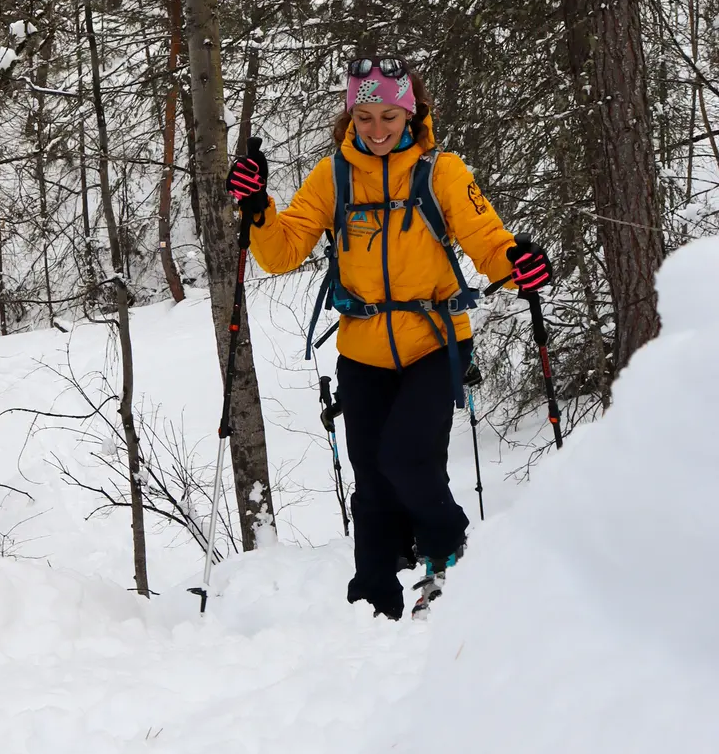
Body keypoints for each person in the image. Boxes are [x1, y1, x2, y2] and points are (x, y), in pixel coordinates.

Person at [225, 57, 552, 620]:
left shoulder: (441, 172)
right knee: (373, 473)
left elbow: (486, 238)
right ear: (350, 116)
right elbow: (281, 253)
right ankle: (375, 591)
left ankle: (446, 543)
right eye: (365, 117)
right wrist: (257, 208)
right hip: (362, 348)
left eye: (389, 118)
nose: (377, 130)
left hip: (435, 341)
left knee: (407, 457)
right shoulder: (333, 176)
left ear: (411, 114)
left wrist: (517, 263)